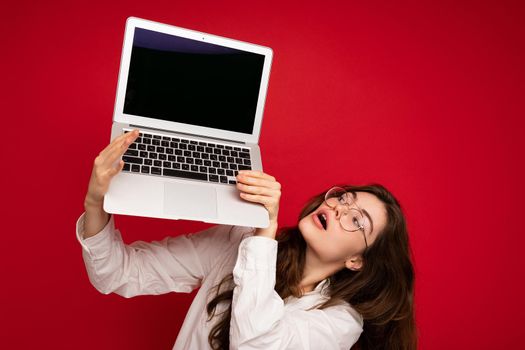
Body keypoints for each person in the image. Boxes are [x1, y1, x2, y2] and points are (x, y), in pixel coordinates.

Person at [77, 129, 417, 349]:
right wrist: (96, 202)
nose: (340, 209)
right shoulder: (238, 241)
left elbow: (254, 342)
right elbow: (118, 274)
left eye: (357, 220)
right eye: (344, 198)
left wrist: (265, 227)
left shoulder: (340, 322)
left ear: (357, 260)